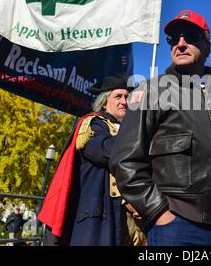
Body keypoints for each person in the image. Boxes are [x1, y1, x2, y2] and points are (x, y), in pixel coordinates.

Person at [110, 10, 211, 246]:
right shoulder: (152, 91)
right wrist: (158, 212)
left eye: (190, 36)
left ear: (207, 46)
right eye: (174, 39)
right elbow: (125, 160)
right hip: (174, 228)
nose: (181, 44)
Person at [38, 75, 145, 246]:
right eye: (118, 96)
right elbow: (107, 151)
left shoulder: (129, 128)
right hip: (98, 213)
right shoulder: (92, 123)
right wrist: (141, 134)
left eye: (127, 97)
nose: (124, 101)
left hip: (131, 218)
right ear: (104, 102)